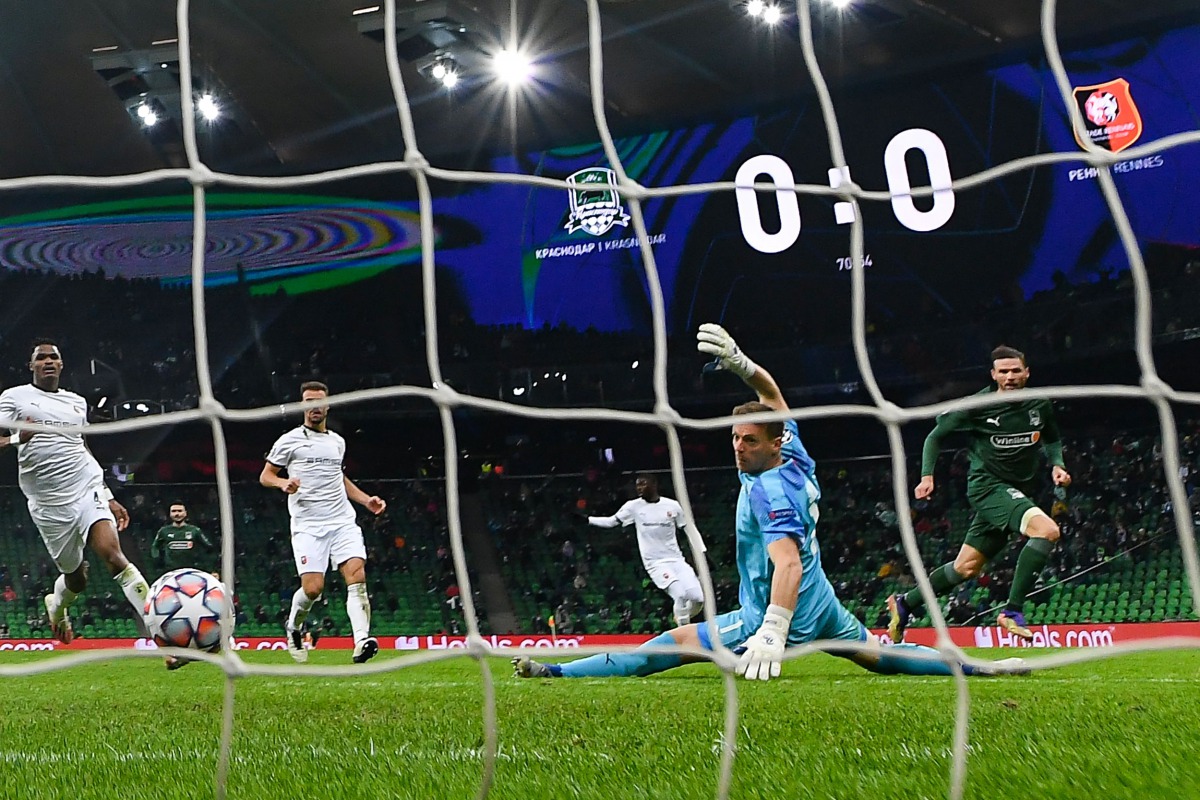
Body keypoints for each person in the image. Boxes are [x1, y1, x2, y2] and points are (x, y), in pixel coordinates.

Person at [514, 325, 1022, 681]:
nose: (738, 446)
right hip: (822, 604)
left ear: (771, 445)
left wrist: (773, 629)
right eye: (734, 438)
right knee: (879, 655)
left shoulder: (768, 491)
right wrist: (744, 366)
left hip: (774, 612)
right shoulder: (793, 450)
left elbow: (787, 562)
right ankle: (979, 667)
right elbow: (775, 398)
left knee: (665, 649)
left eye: (748, 442)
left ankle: (557, 671)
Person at [0, 340, 179, 666]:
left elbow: (81, 447)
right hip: (49, 504)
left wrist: (107, 495)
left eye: (54, 357)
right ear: (31, 366)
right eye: (41, 358)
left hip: (86, 490)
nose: (48, 361)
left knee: (114, 557)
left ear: (62, 365)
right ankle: (58, 606)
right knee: (76, 578)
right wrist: (15, 439)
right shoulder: (13, 397)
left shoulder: (76, 403)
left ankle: (162, 639)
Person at [886, 345, 1071, 643]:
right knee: (1047, 531)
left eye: (1015, 371)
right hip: (988, 487)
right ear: (993, 375)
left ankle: (906, 603)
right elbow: (935, 436)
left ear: (1027, 373)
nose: (1009, 377)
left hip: (1015, 491)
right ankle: (1012, 612)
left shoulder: (1039, 403)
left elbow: (1052, 437)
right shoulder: (977, 405)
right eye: (1003, 372)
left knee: (965, 568)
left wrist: (1057, 464)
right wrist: (926, 475)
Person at [260, 380, 387, 665]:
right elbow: (265, 475)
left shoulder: (337, 442)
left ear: (327, 405)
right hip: (307, 526)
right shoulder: (289, 440)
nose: (313, 407)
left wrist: (366, 501)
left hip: (342, 521)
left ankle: (361, 641)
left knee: (357, 576)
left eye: (318, 401)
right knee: (313, 589)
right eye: (308, 401)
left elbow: (338, 479)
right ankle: (293, 628)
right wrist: (283, 484)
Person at [584, 473, 705, 626]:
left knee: (698, 598)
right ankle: (683, 634)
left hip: (677, 560)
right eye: (637, 485)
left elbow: (690, 529)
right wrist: (587, 520)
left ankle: (681, 618)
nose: (639, 488)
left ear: (654, 484)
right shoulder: (633, 507)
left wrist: (702, 551)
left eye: (643, 484)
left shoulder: (672, 506)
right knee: (680, 594)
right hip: (655, 563)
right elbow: (611, 521)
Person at [150, 502, 214, 573]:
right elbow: (155, 547)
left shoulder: (194, 530)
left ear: (185, 513)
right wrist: (157, 560)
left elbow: (209, 547)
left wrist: (208, 567)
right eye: (174, 511)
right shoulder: (164, 531)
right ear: (170, 514)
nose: (177, 514)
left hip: (192, 571)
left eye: (180, 511)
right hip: (170, 572)